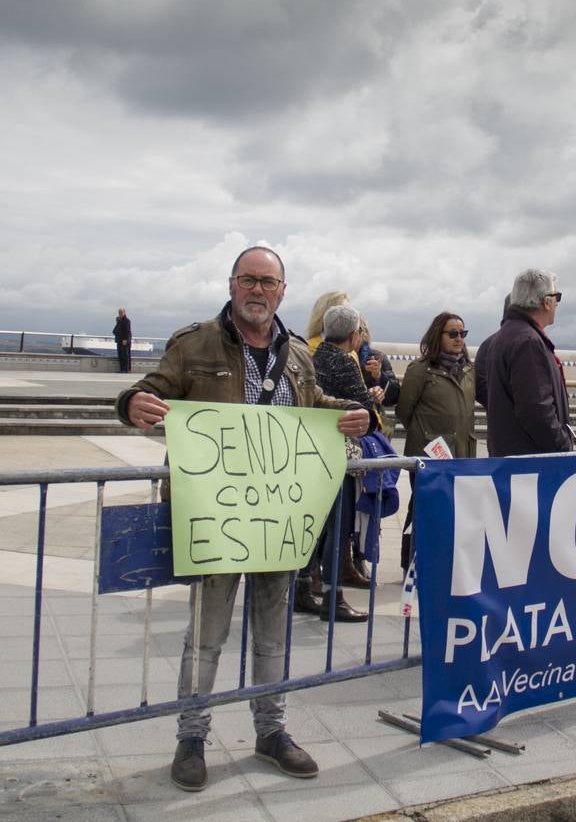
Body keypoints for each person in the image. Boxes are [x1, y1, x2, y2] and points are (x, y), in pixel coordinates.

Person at [115, 246, 372, 792]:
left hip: (277, 520)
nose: (258, 290)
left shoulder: (298, 353)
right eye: (248, 280)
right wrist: (131, 402)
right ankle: (192, 737)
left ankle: (271, 731)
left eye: (268, 282)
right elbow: (151, 391)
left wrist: (342, 415)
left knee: (273, 633)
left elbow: (312, 400)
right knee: (205, 635)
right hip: (216, 520)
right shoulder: (194, 344)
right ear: (232, 285)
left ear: (283, 291)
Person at [306, 304, 375, 620]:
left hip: (310, 452)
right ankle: (335, 599)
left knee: (313, 526)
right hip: (339, 455)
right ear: (353, 334)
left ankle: (302, 587)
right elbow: (363, 411)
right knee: (339, 526)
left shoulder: (312, 357)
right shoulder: (346, 364)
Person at [396, 311, 477, 570]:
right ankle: (414, 565)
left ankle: (441, 564)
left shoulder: (468, 370)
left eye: (462, 333)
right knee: (423, 511)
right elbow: (404, 410)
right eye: (452, 333)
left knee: (451, 512)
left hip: (461, 454)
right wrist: (427, 435)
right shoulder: (420, 370)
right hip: (428, 457)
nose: (458, 338)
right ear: (438, 335)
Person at [484, 270, 574, 457]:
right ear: (546, 301)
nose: (557, 303)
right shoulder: (528, 342)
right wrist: (564, 447)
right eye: (557, 296)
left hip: (511, 455)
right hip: (531, 461)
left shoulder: (505, 336)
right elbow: (537, 410)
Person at [305, 290, 350, 355]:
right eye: (342, 312)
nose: (348, 318)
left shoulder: (351, 352)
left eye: (350, 312)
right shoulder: (307, 349)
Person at [112, 308, 132, 373]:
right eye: (119, 313)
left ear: (124, 313)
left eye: (121, 312)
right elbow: (115, 330)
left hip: (125, 341)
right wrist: (118, 321)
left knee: (125, 355)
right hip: (119, 340)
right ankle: (122, 369)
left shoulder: (127, 321)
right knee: (120, 355)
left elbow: (127, 331)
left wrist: (126, 340)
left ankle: (126, 369)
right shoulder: (119, 321)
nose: (120, 314)